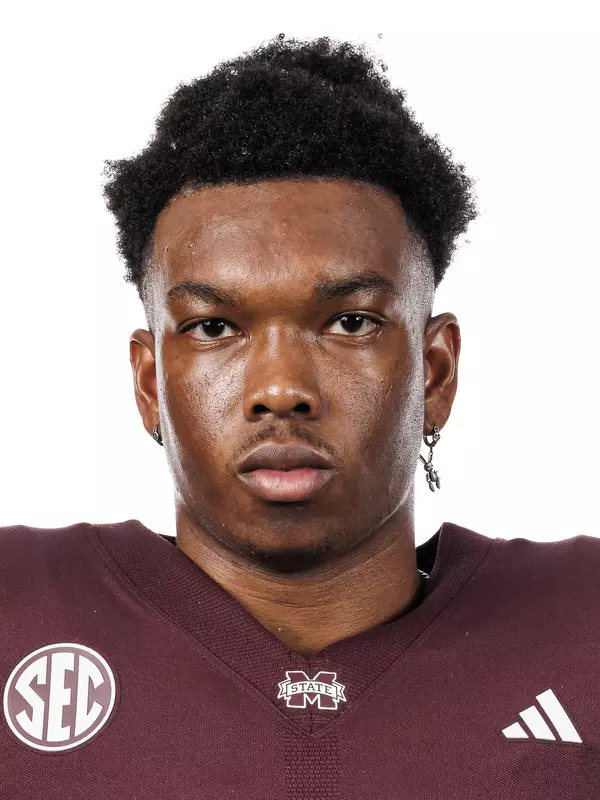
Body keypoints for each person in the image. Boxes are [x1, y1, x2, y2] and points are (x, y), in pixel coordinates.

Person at [1, 34, 598, 800]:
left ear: (436, 373)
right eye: (215, 327)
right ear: (149, 383)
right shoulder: (18, 605)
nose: (281, 390)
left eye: (349, 323)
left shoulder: (583, 623)